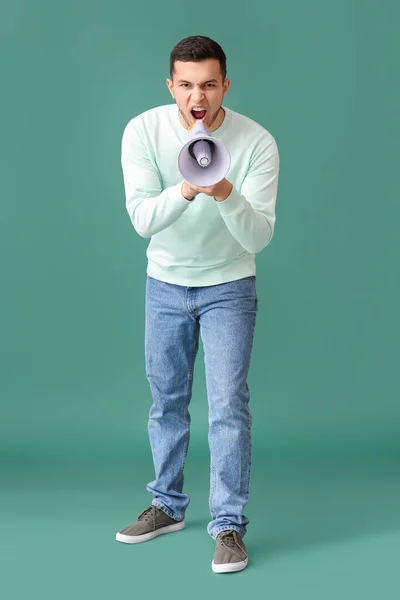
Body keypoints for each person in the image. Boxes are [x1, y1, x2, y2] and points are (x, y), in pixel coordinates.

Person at [115, 35, 280, 574]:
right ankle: (166, 505)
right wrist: (188, 188)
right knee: (166, 399)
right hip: (163, 283)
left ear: (225, 85)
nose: (197, 97)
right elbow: (142, 219)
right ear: (171, 86)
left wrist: (224, 190)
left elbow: (257, 237)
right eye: (186, 85)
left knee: (228, 405)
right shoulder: (143, 130)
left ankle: (228, 525)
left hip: (230, 285)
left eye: (209, 84)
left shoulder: (257, 141)